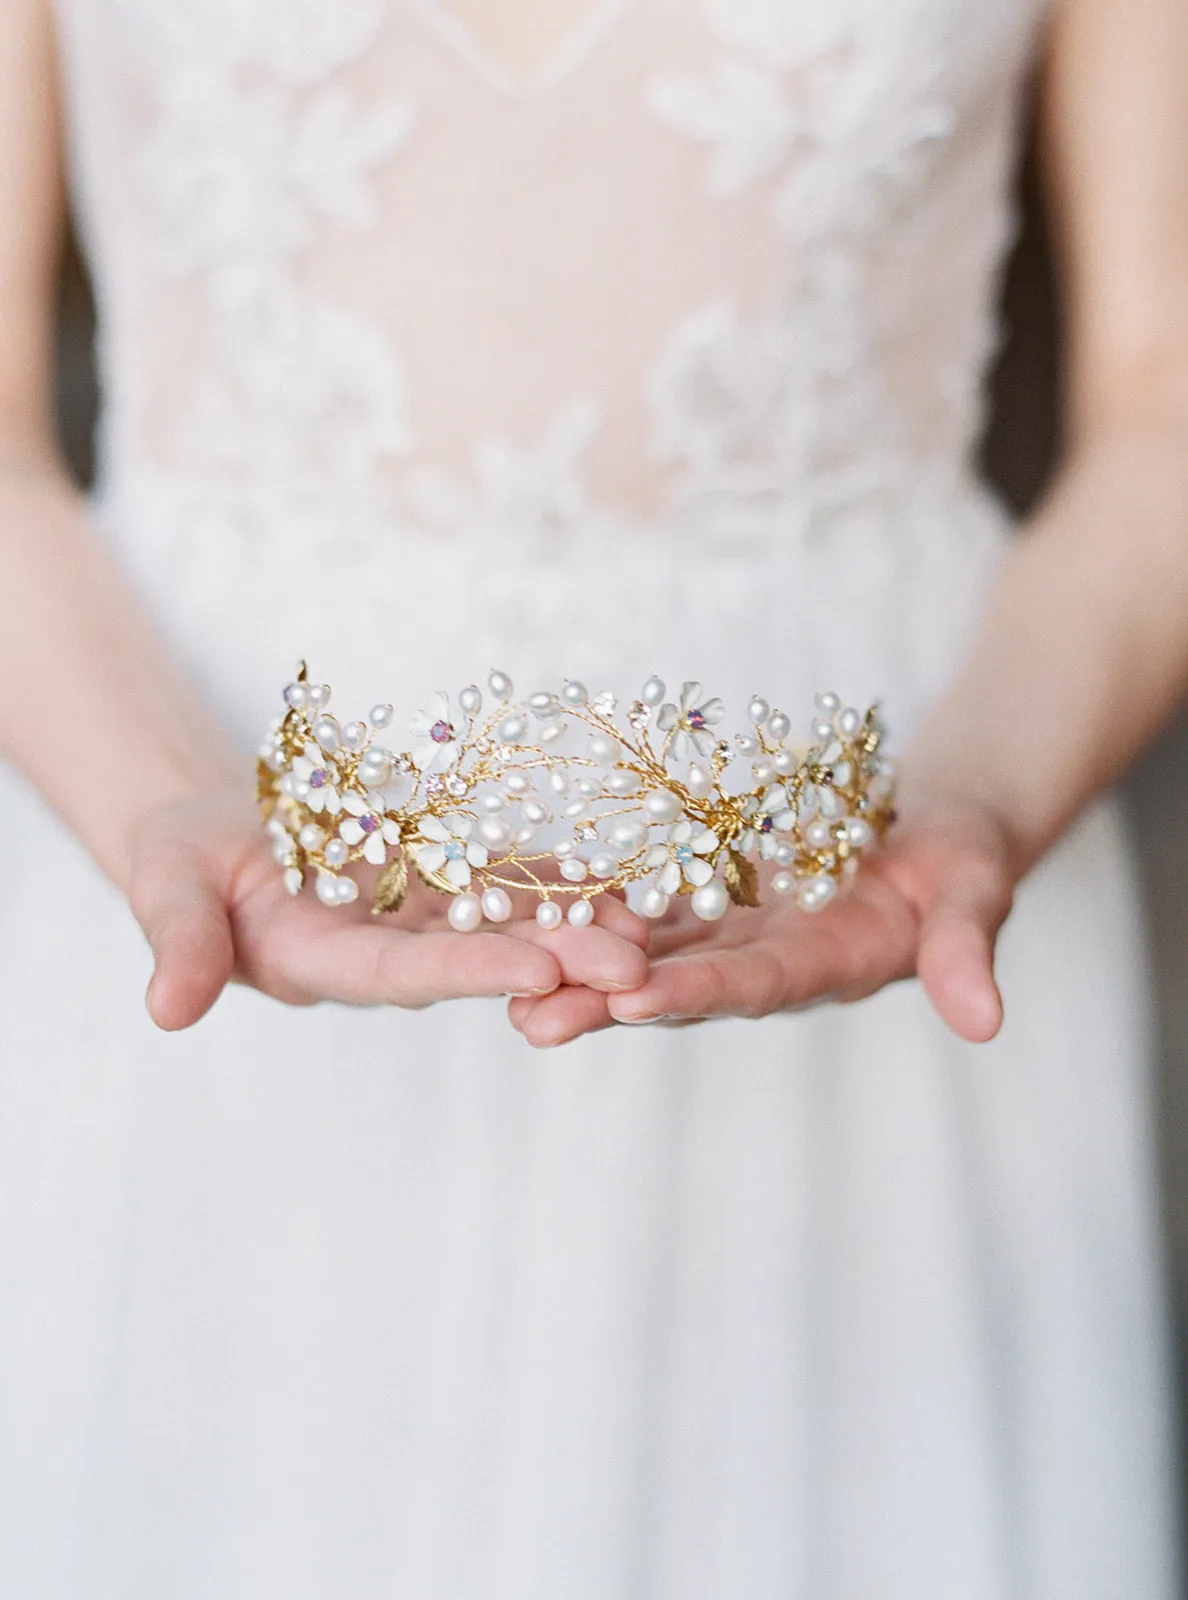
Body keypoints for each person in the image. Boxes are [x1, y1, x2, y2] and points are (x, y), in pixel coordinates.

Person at [0, 0, 1184, 1592]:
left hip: (906, 847)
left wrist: (981, 791)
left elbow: (1165, 412)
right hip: (151, 792)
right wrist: (154, 799)